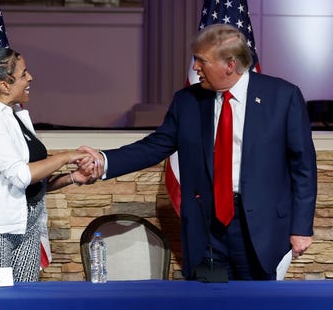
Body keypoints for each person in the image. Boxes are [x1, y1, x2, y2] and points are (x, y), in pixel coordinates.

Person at [79, 24, 317, 280]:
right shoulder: (188, 101)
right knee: (208, 302)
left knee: (256, 303)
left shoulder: (282, 97)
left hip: (260, 228)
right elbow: (154, 146)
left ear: (230, 64)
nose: (195, 68)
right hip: (207, 228)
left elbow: (303, 167)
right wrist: (104, 161)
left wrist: (301, 228)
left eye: (201, 60)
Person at [0, 47, 96, 282]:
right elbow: (21, 175)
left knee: (24, 302)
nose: (31, 78)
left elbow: (30, 182)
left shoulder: (16, 116)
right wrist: (66, 156)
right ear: (4, 85)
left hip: (25, 228)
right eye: (23, 74)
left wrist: (72, 177)